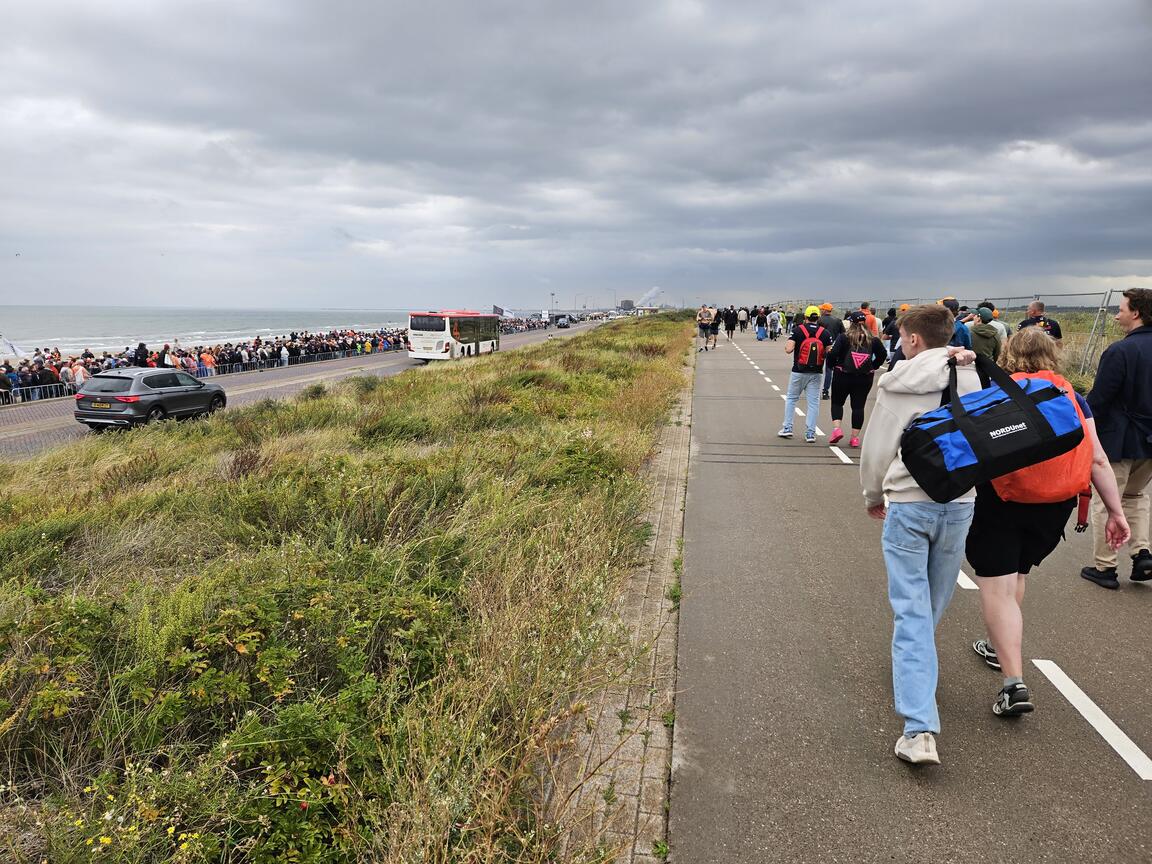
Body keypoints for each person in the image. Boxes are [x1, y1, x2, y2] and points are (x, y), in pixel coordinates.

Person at [966, 327, 1130, 717]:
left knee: (997, 584)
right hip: (1055, 504)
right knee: (1018, 573)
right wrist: (1116, 513)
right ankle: (996, 645)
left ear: (1009, 355)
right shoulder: (1072, 397)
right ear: (1051, 355)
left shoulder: (995, 394)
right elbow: (1098, 459)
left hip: (1003, 500)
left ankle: (1013, 682)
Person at [859, 304, 982, 766]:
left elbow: (876, 448)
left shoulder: (896, 384)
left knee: (909, 607)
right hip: (960, 503)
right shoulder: (970, 376)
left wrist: (873, 495)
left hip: (909, 503)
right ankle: (919, 671)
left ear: (912, 339)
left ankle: (919, 728)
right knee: (933, 600)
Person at [1081, 288, 1152, 588]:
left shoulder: (1120, 351)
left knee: (1106, 502)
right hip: (1150, 441)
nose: (1117, 313)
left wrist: (1081, 418)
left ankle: (1106, 566)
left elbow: (1100, 398)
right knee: (1137, 496)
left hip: (1120, 439)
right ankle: (1142, 553)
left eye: (1121, 308)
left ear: (1135, 313)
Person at [826, 311, 887, 448]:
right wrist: (874, 365)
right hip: (864, 377)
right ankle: (855, 438)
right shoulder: (873, 340)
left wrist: (832, 365)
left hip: (842, 374)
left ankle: (837, 429)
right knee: (858, 407)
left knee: (837, 403)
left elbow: (833, 353)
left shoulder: (844, 338)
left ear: (851, 323)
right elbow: (882, 354)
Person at [778, 306, 831, 444]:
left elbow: (788, 349)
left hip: (799, 370)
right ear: (818, 317)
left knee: (791, 399)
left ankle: (787, 427)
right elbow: (830, 352)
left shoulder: (797, 330)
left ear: (805, 317)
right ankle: (810, 433)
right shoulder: (825, 333)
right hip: (817, 372)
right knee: (813, 403)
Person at [817, 304, 844, 399]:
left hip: (819, 347)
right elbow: (843, 334)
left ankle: (815, 390)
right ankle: (825, 392)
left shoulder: (819, 320)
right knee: (829, 370)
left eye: (821, 309)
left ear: (825, 310)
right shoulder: (838, 320)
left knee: (817, 369)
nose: (820, 311)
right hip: (832, 347)